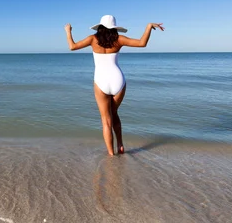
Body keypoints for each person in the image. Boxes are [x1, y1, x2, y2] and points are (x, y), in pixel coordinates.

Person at [64, 15, 164, 156]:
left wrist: (68, 31)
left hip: (101, 80)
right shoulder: (119, 39)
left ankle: (111, 155)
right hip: (118, 80)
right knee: (114, 113)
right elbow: (142, 43)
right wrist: (148, 27)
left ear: (100, 27)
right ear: (114, 27)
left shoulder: (93, 39)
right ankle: (120, 145)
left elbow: (72, 47)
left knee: (106, 120)